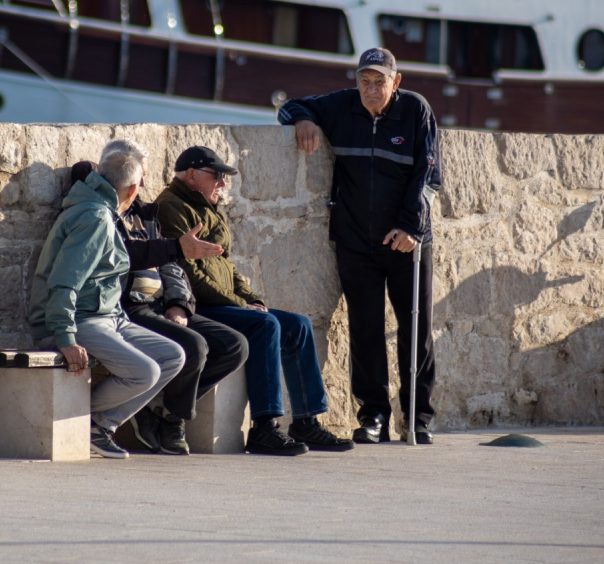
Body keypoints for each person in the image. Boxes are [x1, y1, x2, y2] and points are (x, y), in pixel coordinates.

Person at [278, 46, 441, 444]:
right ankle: (374, 417)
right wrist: (303, 119)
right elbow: (289, 107)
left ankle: (417, 417)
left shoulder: (416, 110)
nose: (370, 89)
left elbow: (429, 175)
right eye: (363, 81)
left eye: (379, 81)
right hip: (355, 241)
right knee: (364, 329)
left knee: (414, 330)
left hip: (408, 241)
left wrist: (411, 230)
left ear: (395, 82)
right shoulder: (341, 106)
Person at [155, 146, 354, 456]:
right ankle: (264, 427)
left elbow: (227, 266)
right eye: (217, 176)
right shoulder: (171, 208)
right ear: (192, 176)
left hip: (226, 302)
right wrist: (238, 303)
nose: (223, 183)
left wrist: (250, 298)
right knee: (265, 325)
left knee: (298, 326)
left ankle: (305, 421)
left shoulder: (210, 208)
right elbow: (187, 275)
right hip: (199, 306)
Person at [72, 140, 248, 456]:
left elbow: (171, 264)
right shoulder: (102, 213)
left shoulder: (144, 213)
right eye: (139, 177)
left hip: (161, 304)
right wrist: (177, 248)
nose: (142, 184)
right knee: (193, 346)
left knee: (235, 345)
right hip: (130, 307)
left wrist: (179, 303)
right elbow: (126, 255)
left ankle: (160, 407)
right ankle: (173, 420)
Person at [29, 147, 185, 459]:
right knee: (146, 372)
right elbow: (64, 281)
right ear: (132, 189)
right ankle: (78, 417)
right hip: (80, 321)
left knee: (173, 356)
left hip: (110, 317)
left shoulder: (102, 209)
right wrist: (65, 337)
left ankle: (100, 425)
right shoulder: (95, 218)